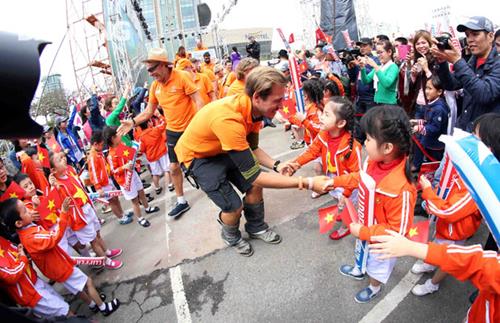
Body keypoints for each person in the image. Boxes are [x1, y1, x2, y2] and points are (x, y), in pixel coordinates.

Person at [174, 66, 331, 256]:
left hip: (220, 148)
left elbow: (253, 148)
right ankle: (230, 235)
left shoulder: (254, 110)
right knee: (233, 206)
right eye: (277, 100)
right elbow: (255, 175)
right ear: (257, 97)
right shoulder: (229, 120)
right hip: (197, 157)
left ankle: (256, 227)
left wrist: (277, 165)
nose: (282, 105)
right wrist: (307, 183)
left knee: (254, 186)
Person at [326, 105, 416, 303]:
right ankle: (359, 269)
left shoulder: (402, 189)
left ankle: (374, 287)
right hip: (365, 227)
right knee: (361, 253)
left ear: (387, 147)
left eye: (367, 138)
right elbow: (360, 178)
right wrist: (334, 182)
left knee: (376, 267)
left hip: (381, 243)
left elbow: (397, 232)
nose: (363, 143)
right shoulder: (373, 161)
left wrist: (364, 232)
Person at [117, 48, 204, 219]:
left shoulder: (182, 77)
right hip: (172, 131)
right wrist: (133, 122)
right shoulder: (155, 87)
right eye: (148, 70)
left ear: (164, 65)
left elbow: (198, 100)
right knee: (173, 167)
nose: (150, 74)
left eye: (152, 69)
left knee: (203, 159)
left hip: (191, 128)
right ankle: (181, 202)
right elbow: (149, 111)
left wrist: (201, 124)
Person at [0, 198, 121, 316]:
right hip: (60, 267)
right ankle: (104, 307)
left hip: (56, 268)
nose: (29, 210)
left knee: (77, 289)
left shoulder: (26, 230)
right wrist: (63, 213)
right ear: (19, 223)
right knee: (88, 282)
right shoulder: (31, 237)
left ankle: (93, 305)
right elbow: (54, 237)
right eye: (25, 211)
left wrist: (37, 208)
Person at [369, 231, 499, 323]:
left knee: (448, 262)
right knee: (440, 248)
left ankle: (433, 284)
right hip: (480, 312)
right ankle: (430, 267)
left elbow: (472, 263)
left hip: (455, 233)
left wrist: (410, 247)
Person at [288, 97, 361, 239]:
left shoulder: (352, 146)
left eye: (326, 115)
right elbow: (312, 151)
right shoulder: (323, 134)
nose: (320, 117)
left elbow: (356, 176)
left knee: (346, 203)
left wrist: (346, 194)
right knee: (338, 200)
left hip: (347, 183)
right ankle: (343, 212)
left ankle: (346, 226)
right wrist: (296, 164)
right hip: (332, 178)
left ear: (341, 123)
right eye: (323, 112)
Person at [49, 152, 124, 268]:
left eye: (63, 157)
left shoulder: (69, 173)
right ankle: (106, 261)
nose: (64, 159)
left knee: (97, 233)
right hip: (79, 217)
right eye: (59, 160)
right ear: (53, 170)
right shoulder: (57, 186)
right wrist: (53, 185)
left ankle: (107, 252)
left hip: (88, 208)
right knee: (93, 240)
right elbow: (56, 200)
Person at [432, 16, 500, 131]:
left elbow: (484, 94)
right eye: (467, 35)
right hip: (465, 128)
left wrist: (457, 61)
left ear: (490, 36)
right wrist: (442, 62)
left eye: (475, 34)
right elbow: (451, 84)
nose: (470, 39)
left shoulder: (497, 62)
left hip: (486, 135)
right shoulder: (472, 61)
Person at [0, 236, 71, 318]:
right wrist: (23, 258)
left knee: (63, 306)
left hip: (35, 281)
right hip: (29, 293)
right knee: (65, 311)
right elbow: (11, 276)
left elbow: (12, 251)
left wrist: (20, 251)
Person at [104, 126, 159, 227]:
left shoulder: (121, 146)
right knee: (134, 200)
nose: (119, 135)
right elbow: (113, 171)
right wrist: (124, 167)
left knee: (141, 192)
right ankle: (140, 218)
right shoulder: (111, 155)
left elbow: (130, 155)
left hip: (132, 173)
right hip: (125, 180)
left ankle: (147, 208)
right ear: (112, 138)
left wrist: (135, 153)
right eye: (117, 135)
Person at [88, 131, 133, 225]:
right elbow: (94, 174)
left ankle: (122, 213)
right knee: (112, 201)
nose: (103, 146)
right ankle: (121, 217)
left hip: (107, 180)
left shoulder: (98, 153)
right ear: (95, 144)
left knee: (115, 198)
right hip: (102, 184)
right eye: (101, 144)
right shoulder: (93, 157)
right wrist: (98, 187)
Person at [410, 76, 449, 171]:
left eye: (430, 88)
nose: (426, 91)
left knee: (433, 166)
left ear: (439, 92)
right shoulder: (431, 102)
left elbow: (435, 128)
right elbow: (428, 120)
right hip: (428, 140)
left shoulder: (439, 108)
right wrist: (416, 122)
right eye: (426, 88)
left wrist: (419, 128)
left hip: (435, 144)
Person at [348, 37, 380, 143]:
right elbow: (353, 78)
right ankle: (357, 145)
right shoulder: (359, 59)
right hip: (359, 97)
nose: (362, 48)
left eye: (365, 45)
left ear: (371, 46)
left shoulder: (375, 60)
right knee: (357, 125)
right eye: (360, 46)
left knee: (370, 124)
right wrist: (351, 67)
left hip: (371, 97)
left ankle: (372, 146)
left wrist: (363, 66)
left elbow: (373, 75)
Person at [136, 114, 173, 195]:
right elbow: (165, 123)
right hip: (162, 153)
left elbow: (142, 149)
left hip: (151, 157)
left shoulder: (141, 137)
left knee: (155, 173)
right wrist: (159, 116)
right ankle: (170, 185)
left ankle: (157, 187)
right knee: (167, 169)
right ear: (149, 123)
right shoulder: (156, 129)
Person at [359, 40, 399, 105]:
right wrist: (362, 68)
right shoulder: (379, 67)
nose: (379, 55)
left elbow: (387, 83)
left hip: (389, 103)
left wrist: (375, 65)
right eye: (377, 53)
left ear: (389, 52)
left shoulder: (393, 66)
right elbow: (365, 81)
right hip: (377, 102)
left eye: (381, 52)